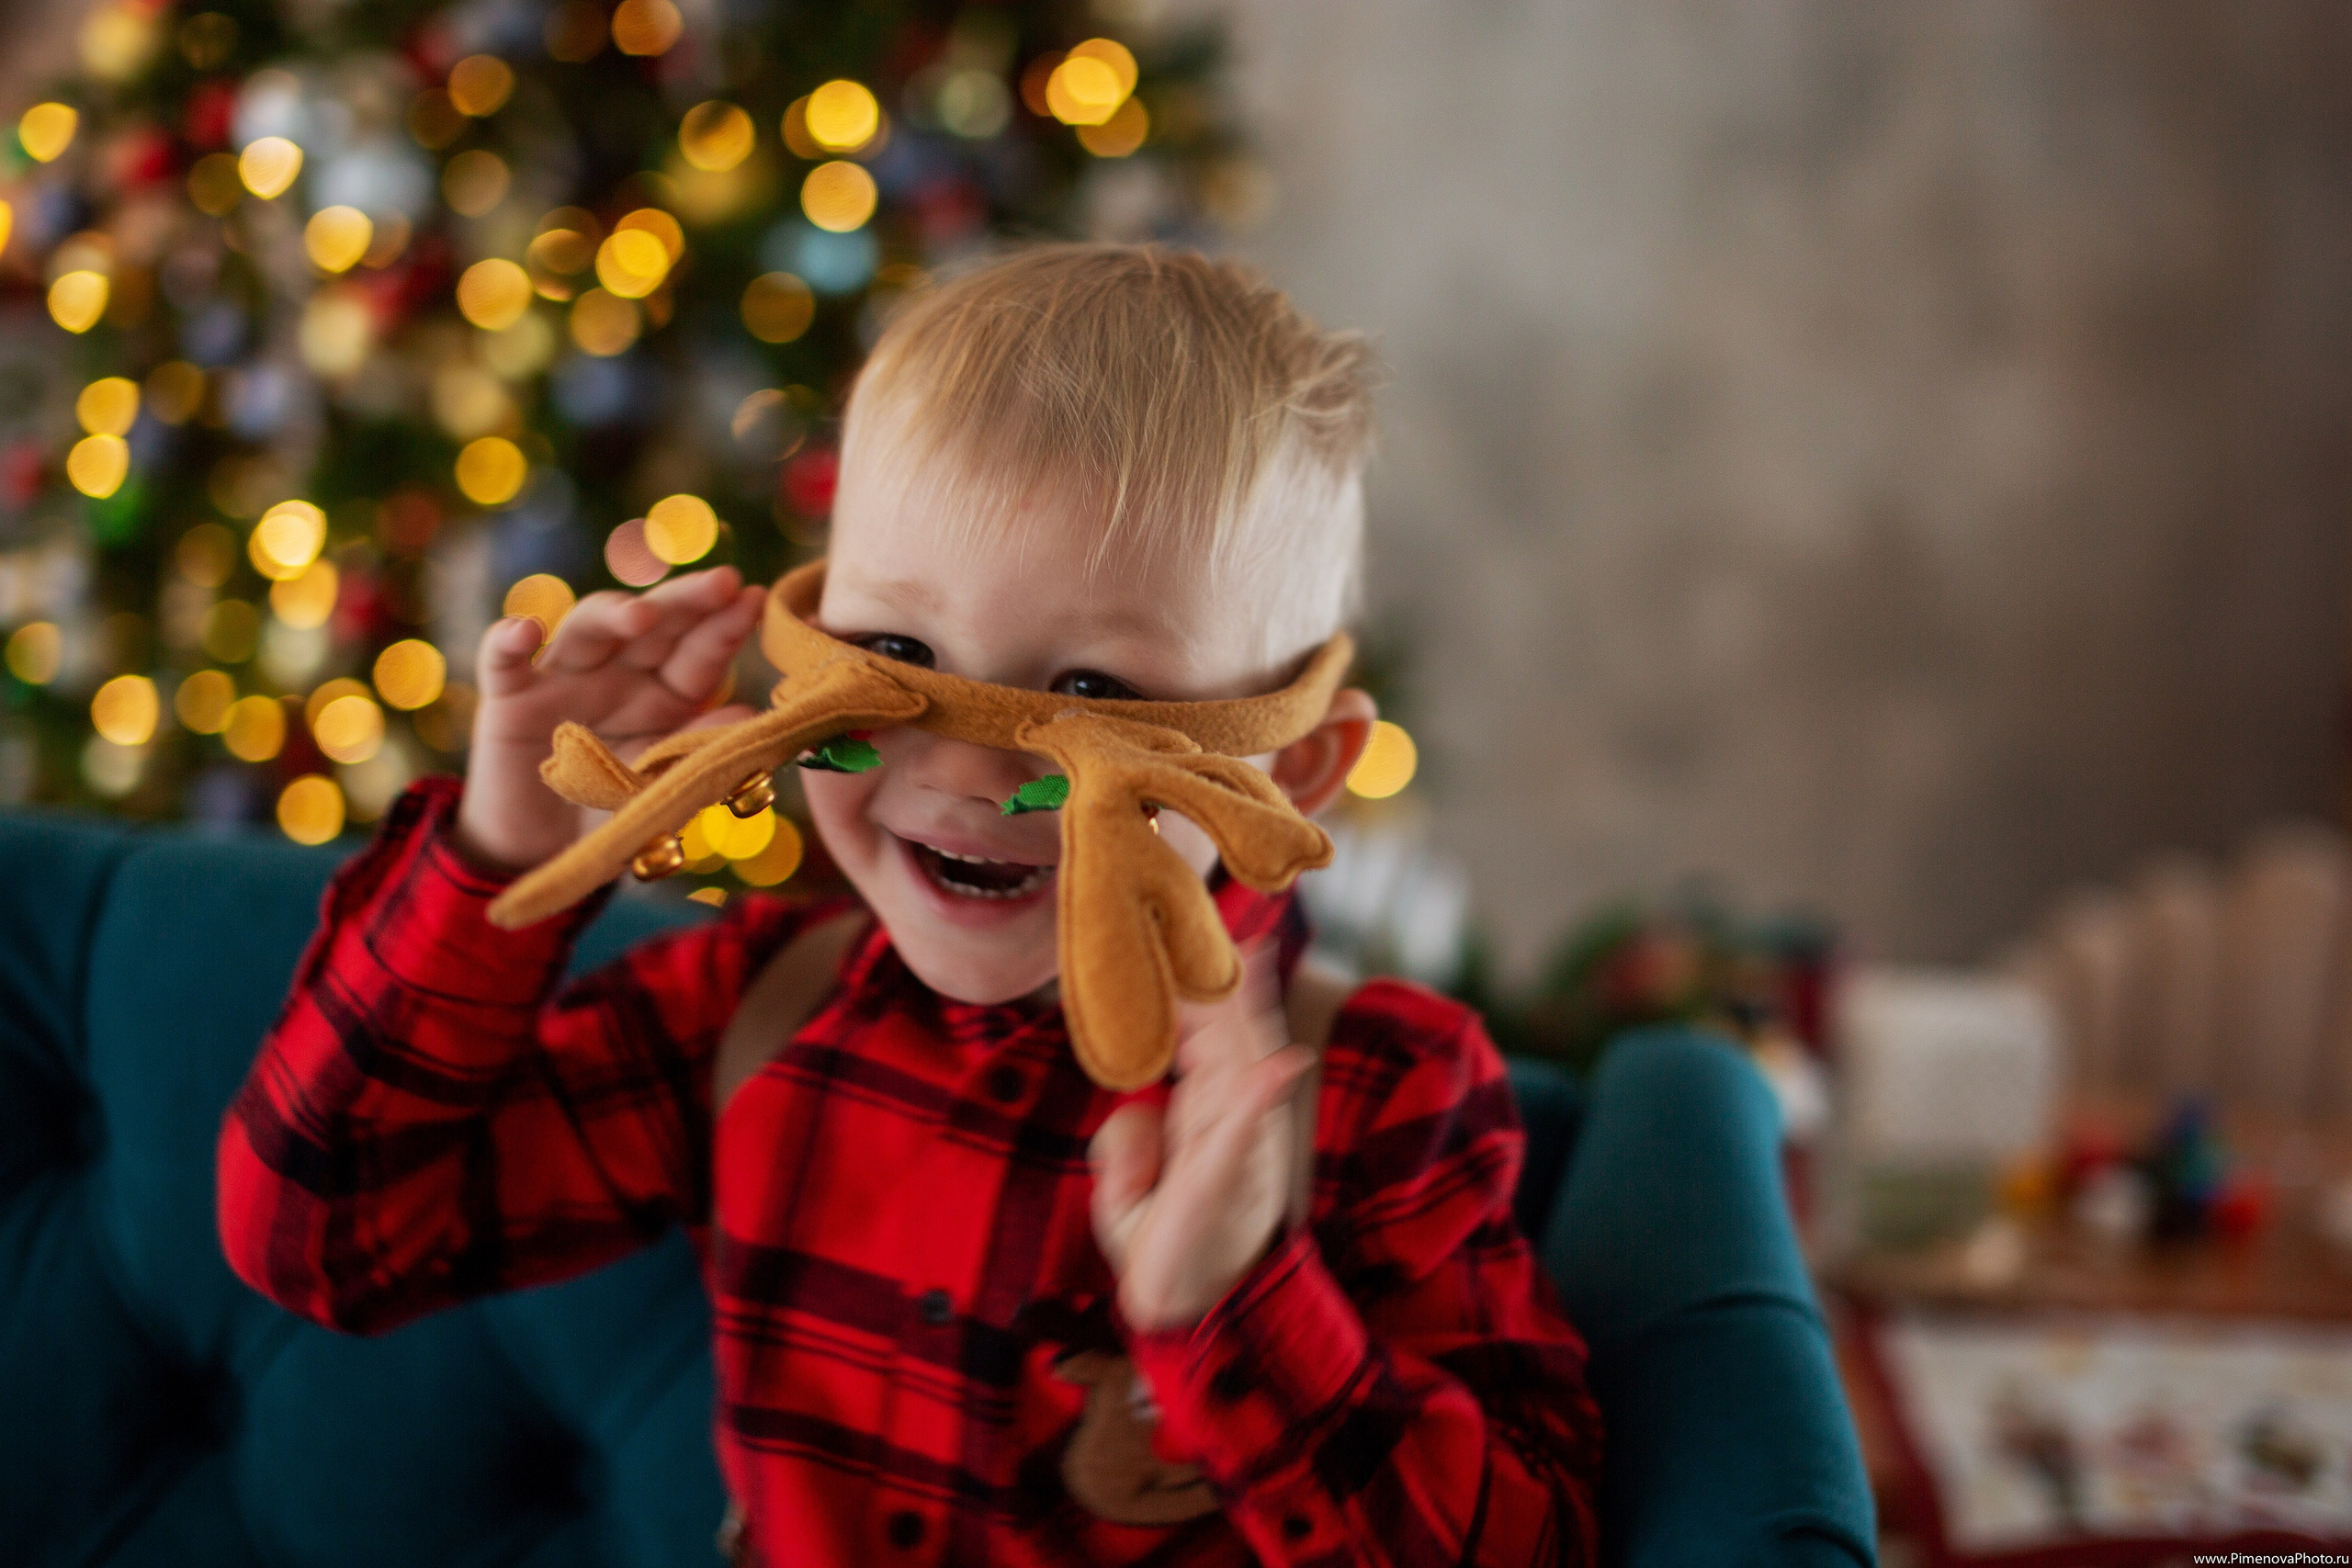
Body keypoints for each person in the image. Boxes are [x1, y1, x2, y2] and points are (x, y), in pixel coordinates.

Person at [217, 243, 1602, 1566]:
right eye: (896, 653)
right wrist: (497, 848)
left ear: (1291, 768)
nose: (959, 771)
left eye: (1092, 695)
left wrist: (1234, 1307)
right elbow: (324, 1240)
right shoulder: (749, 1012)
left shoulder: (1382, 1093)